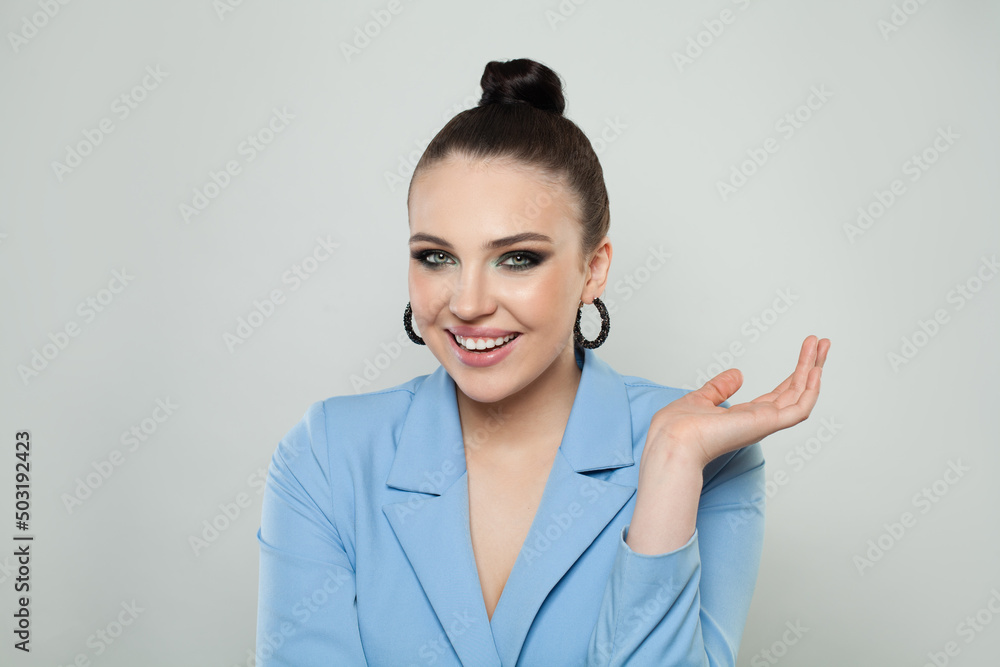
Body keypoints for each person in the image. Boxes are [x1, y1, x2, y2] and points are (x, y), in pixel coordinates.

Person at [254, 58, 830, 666]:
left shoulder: (709, 456)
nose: (468, 304)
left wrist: (669, 471)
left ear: (594, 269)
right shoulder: (327, 456)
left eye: (518, 259)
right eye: (436, 257)